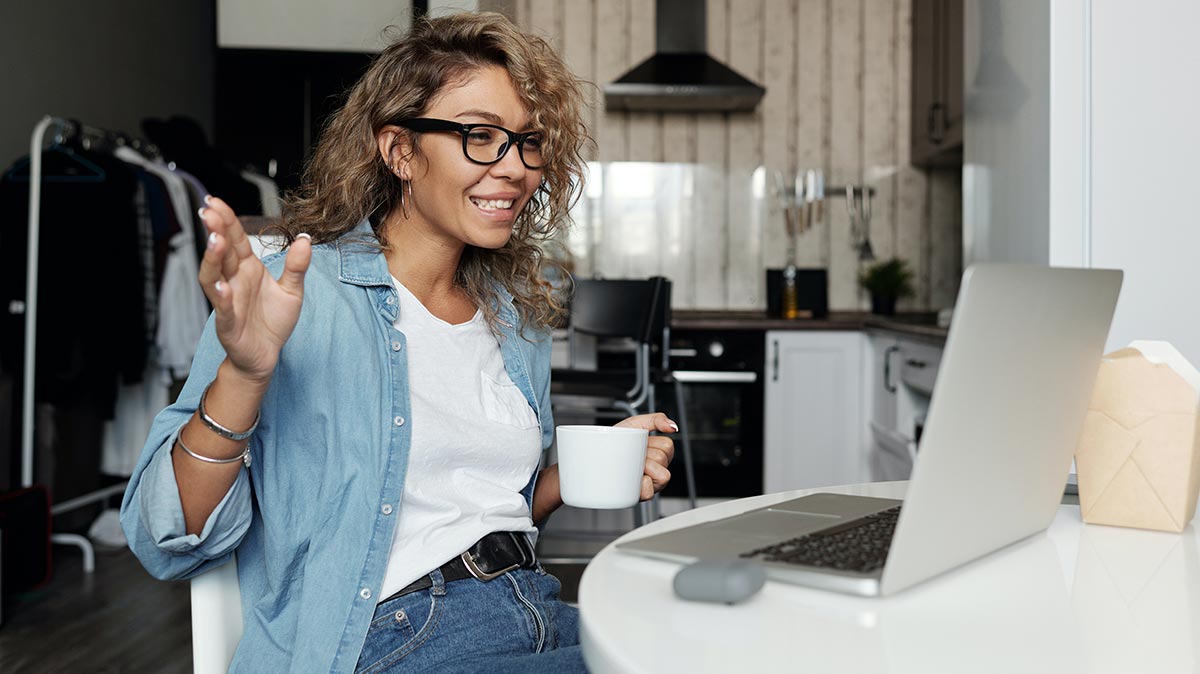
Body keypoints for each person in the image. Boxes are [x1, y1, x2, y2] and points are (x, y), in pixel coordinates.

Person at [120, 12, 676, 674]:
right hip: (391, 641)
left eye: (529, 142)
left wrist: (575, 475)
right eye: (480, 136)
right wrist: (244, 374)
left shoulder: (515, 318)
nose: (515, 167)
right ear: (400, 151)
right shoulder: (294, 293)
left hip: (532, 607)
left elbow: (470, 512)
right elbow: (164, 536)